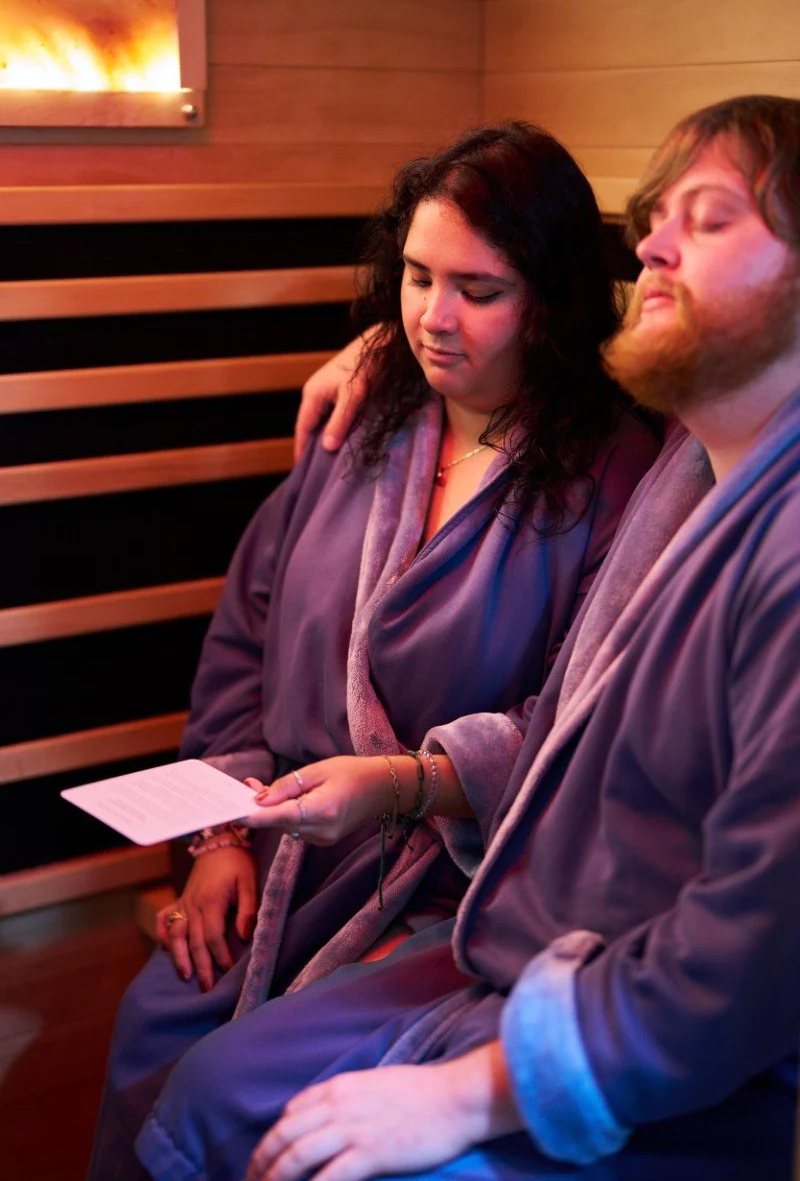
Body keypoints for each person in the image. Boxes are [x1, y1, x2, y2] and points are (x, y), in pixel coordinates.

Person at [131, 93, 800, 1181]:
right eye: (417, 279)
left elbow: (746, 953)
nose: (653, 245)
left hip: (474, 901)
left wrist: (407, 785)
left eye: (710, 216)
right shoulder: (692, 463)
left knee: (226, 1102)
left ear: (540, 305)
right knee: (162, 1034)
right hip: (312, 846)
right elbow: (245, 628)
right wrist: (217, 836)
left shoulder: (638, 477)